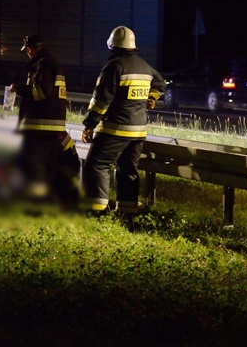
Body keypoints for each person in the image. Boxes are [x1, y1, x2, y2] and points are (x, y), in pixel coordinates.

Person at [81, 26, 165, 215]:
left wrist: (89, 124)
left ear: (112, 46)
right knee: (128, 169)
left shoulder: (114, 66)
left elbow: (101, 100)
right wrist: (151, 97)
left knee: (97, 165)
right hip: (138, 132)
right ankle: (127, 212)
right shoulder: (145, 66)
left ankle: (96, 210)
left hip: (115, 129)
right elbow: (161, 84)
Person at [11, 34, 78, 203]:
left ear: (30, 49)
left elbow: (41, 92)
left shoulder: (44, 64)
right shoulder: (52, 63)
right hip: (52, 127)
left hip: (42, 126)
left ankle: (34, 203)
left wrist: (19, 89)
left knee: (34, 166)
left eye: (27, 50)